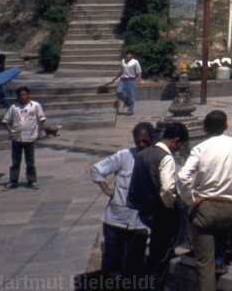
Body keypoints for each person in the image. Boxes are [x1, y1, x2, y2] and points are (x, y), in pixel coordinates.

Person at [178, 111, 232, 291]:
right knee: (221, 237)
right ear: (226, 126)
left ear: (205, 128)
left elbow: (183, 177)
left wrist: (191, 200)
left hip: (206, 208)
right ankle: (221, 260)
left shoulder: (201, 148)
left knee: (204, 263)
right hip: (230, 209)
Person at [91, 122, 154, 282]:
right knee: (112, 263)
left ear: (152, 139)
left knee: (135, 265)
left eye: (145, 141)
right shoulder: (124, 156)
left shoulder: (157, 160)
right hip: (115, 220)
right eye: (138, 141)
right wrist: (107, 189)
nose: (141, 144)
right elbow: (97, 169)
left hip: (139, 223)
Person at [128, 122, 189, 290]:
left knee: (155, 251)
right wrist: (170, 206)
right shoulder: (166, 158)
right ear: (176, 141)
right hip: (161, 213)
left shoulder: (143, 154)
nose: (178, 149)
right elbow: (168, 189)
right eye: (179, 145)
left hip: (144, 210)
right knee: (161, 257)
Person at [2, 86, 45, 189]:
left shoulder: (35, 106)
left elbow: (41, 119)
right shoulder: (14, 108)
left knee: (30, 161)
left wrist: (38, 132)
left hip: (29, 138)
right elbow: (5, 121)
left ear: (28, 94)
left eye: (24, 94)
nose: (22, 96)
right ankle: (13, 181)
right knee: (15, 161)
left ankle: (32, 180)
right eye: (20, 95)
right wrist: (11, 132)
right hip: (17, 138)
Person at [110, 50, 143, 116]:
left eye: (129, 54)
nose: (127, 55)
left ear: (132, 55)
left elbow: (139, 71)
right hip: (123, 80)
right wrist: (115, 78)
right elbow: (121, 71)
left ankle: (130, 110)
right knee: (119, 92)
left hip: (131, 80)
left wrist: (139, 80)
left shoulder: (135, 62)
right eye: (127, 54)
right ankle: (128, 101)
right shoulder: (123, 61)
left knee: (131, 95)